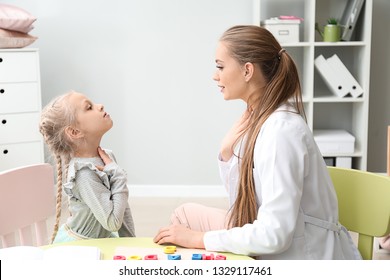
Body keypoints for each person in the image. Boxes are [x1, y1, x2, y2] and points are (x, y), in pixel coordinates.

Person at [153, 25, 361, 260]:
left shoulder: (281, 132)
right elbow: (244, 204)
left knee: (189, 233)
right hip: (282, 236)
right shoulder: (261, 119)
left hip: (301, 256)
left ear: (247, 71)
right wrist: (227, 150)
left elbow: (274, 234)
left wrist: (200, 239)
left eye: (220, 66)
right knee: (184, 215)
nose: (215, 75)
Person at [39, 91, 135, 243]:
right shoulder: (84, 173)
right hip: (81, 247)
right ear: (75, 132)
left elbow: (121, 205)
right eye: (89, 107)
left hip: (101, 240)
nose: (100, 106)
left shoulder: (106, 157)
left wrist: (131, 241)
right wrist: (118, 175)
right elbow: (113, 222)